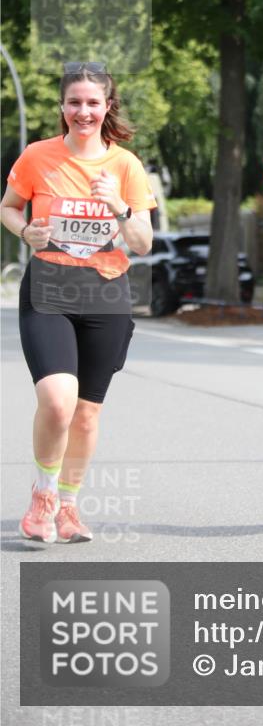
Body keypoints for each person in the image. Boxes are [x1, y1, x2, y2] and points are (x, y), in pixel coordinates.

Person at [0, 62, 156, 544]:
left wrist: (119, 207)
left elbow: (143, 242)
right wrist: (26, 230)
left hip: (105, 293)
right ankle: (42, 496)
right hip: (49, 288)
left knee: (87, 412)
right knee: (56, 399)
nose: (83, 111)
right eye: (74, 102)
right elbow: (8, 207)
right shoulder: (37, 156)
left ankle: (68, 506)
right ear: (62, 107)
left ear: (108, 107)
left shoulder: (125, 165)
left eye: (93, 103)